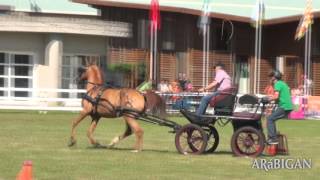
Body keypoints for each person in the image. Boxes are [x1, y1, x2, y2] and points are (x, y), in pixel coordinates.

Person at [266, 70, 293, 144]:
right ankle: (273, 137)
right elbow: (279, 97)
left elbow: (276, 96)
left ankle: (273, 138)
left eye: (271, 77)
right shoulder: (283, 83)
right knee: (271, 118)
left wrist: (267, 99)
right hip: (287, 106)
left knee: (270, 119)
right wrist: (271, 101)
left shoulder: (277, 84)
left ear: (274, 78)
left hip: (284, 106)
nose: (270, 78)